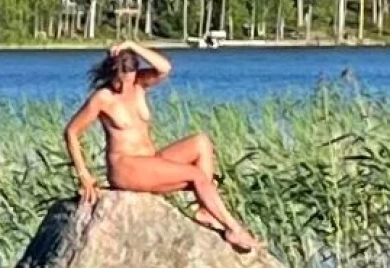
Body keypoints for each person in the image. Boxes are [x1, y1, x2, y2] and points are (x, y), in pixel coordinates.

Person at [64, 40, 261, 252]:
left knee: (201, 142)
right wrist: (85, 175)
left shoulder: (139, 84)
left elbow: (164, 68)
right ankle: (233, 228)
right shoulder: (102, 98)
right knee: (196, 175)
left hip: (149, 160)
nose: (123, 86)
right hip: (126, 167)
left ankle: (205, 209)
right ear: (111, 74)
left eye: (129, 79)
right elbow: (72, 132)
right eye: (119, 81)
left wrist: (132, 44)